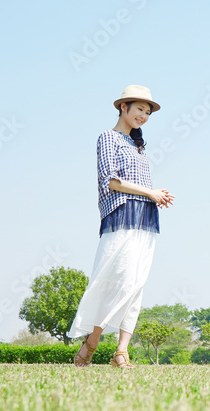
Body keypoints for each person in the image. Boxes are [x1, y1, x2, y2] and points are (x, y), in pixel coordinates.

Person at [69, 85, 175, 369]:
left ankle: (121, 352)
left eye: (148, 112)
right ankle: (91, 342)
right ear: (123, 107)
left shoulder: (139, 148)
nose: (144, 115)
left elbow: (136, 186)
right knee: (115, 280)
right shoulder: (108, 138)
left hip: (145, 218)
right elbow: (111, 181)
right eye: (140, 109)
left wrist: (156, 195)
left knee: (136, 284)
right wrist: (149, 192)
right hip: (120, 215)